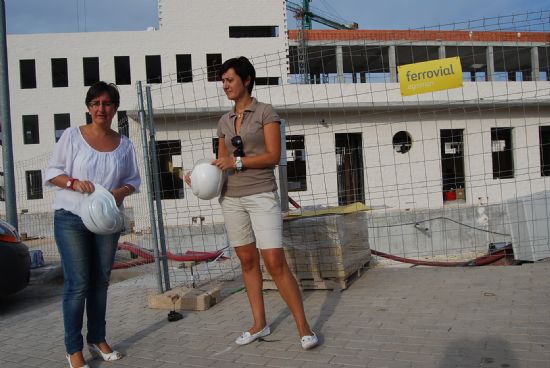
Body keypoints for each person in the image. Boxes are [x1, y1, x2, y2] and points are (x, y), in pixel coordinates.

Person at [186, 56, 318, 350]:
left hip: (261, 195)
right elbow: (221, 164)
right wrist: (196, 177)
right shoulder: (224, 121)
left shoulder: (266, 113)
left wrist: (238, 162)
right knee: (247, 261)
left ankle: (304, 326)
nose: (225, 86)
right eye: (223, 81)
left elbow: (273, 156)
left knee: (274, 261)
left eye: (230, 80)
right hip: (231, 199)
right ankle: (260, 324)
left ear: (246, 80)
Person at [44, 81, 141, 368]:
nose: (101, 108)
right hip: (71, 218)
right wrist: (73, 183)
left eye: (107, 103)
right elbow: (52, 173)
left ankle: (97, 338)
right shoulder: (72, 136)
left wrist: (118, 193)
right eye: (96, 103)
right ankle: (73, 348)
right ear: (88, 107)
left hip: (105, 221)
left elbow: (132, 181)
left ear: (115, 108)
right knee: (78, 283)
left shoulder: (124, 145)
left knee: (100, 281)